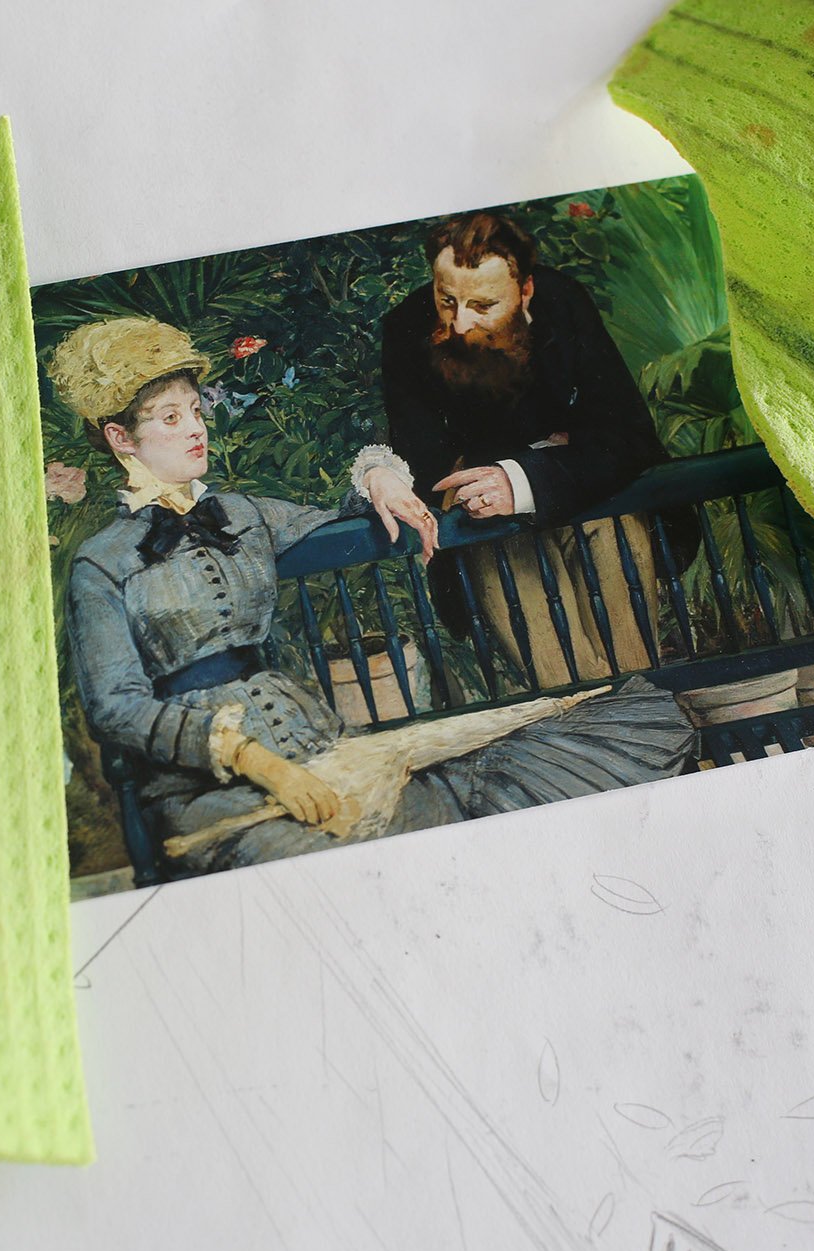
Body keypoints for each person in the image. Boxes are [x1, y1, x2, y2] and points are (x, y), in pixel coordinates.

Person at [50, 316, 694, 878]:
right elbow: (116, 710)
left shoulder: (244, 514)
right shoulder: (101, 563)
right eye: (170, 418)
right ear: (120, 439)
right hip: (210, 786)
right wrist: (259, 763)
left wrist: (379, 477)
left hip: (322, 746)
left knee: (478, 799)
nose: (196, 430)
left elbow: (343, 514)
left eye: (195, 410)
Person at [380, 211, 668, 688]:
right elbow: (427, 462)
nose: (458, 323)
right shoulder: (407, 328)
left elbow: (625, 434)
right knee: (571, 689)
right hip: (488, 525)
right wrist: (552, 450)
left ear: (525, 291)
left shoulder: (562, 302)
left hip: (593, 506)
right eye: (446, 299)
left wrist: (523, 477)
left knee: (636, 673)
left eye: (483, 305)